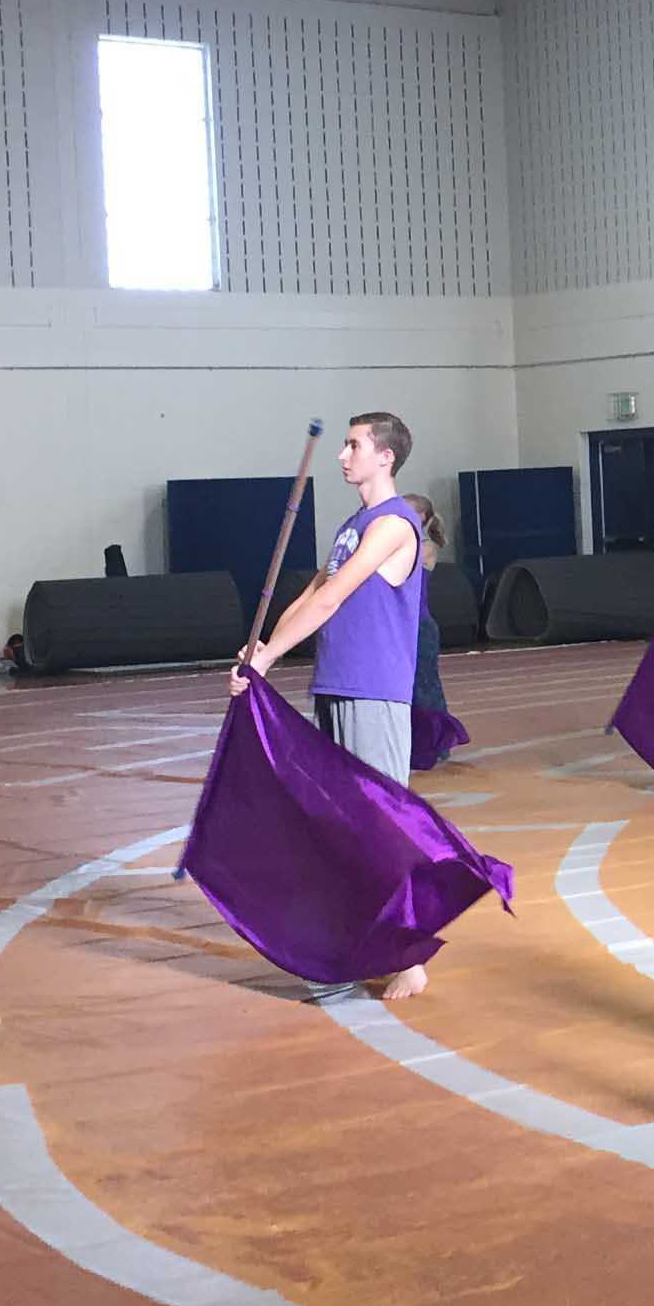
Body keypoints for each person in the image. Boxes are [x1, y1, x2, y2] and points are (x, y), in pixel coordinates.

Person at [235, 410, 435, 997]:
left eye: (354, 446)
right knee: (340, 825)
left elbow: (336, 598)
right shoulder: (354, 524)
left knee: (380, 826)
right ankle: (357, 941)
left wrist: (267, 661)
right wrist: (263, 647)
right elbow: (314, 592)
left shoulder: (394, 525)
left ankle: (411, 955)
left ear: (384, 456)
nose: (344, 456)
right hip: (335, 685)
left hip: (375, 692)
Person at [409, 495, 457, 768]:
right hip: (400, 627)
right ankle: (414, 741)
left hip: (420, 626)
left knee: (425, 686)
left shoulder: (425, 548)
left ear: (423, 520)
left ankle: (437, 743)